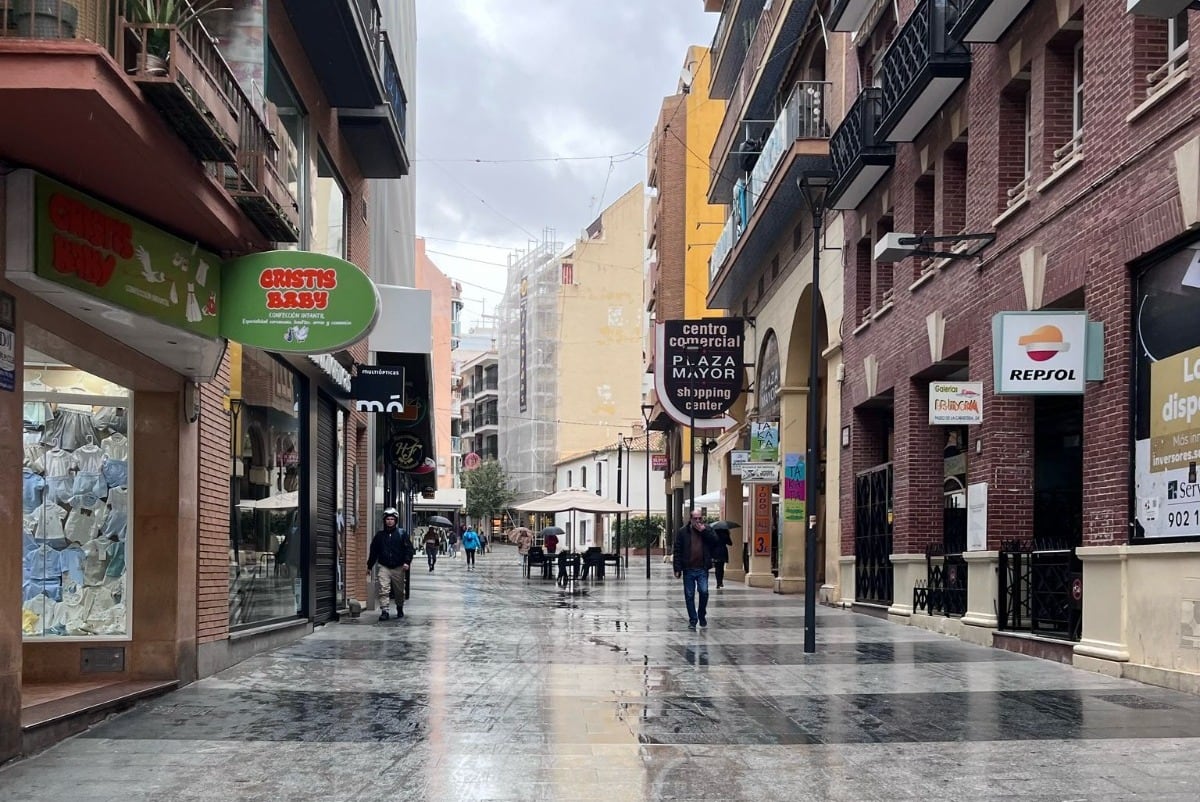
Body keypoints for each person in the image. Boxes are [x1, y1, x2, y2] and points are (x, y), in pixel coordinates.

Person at [672, 509, 719, 630]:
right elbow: (677, 550)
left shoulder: (707, 529)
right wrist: (677, 568)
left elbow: (715, 542)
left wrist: (704, 532)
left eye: (700, 519)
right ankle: (693, 619)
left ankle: (701, 614)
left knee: (704, 592)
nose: (698, 521)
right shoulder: (683, 532)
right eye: (695, 519)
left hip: (702, 568)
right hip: (688, 568)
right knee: (689, 595)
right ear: (691, 519)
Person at [366, 508, 413, 620]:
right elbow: (374, 551)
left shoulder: (402, 534)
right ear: (384, 520)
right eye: (388, 519)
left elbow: (409, 549)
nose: (390, 521)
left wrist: (407, 562)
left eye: (392, 519)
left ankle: (399, 607)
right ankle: (385, 610)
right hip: (384, 566)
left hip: (399, 567)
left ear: (395, 520)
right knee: (384, 589)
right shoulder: (379, 536)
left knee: (399, 591)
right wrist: (369, 566)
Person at [712, 524, 733, 590]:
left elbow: (711, 543)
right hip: (723, 551)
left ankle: (718, 582)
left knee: (717, 568)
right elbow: (730, 543)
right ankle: (720, 581)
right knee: (721, 567)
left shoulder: (714, 534)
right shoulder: (725, 534)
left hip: (716, 551)